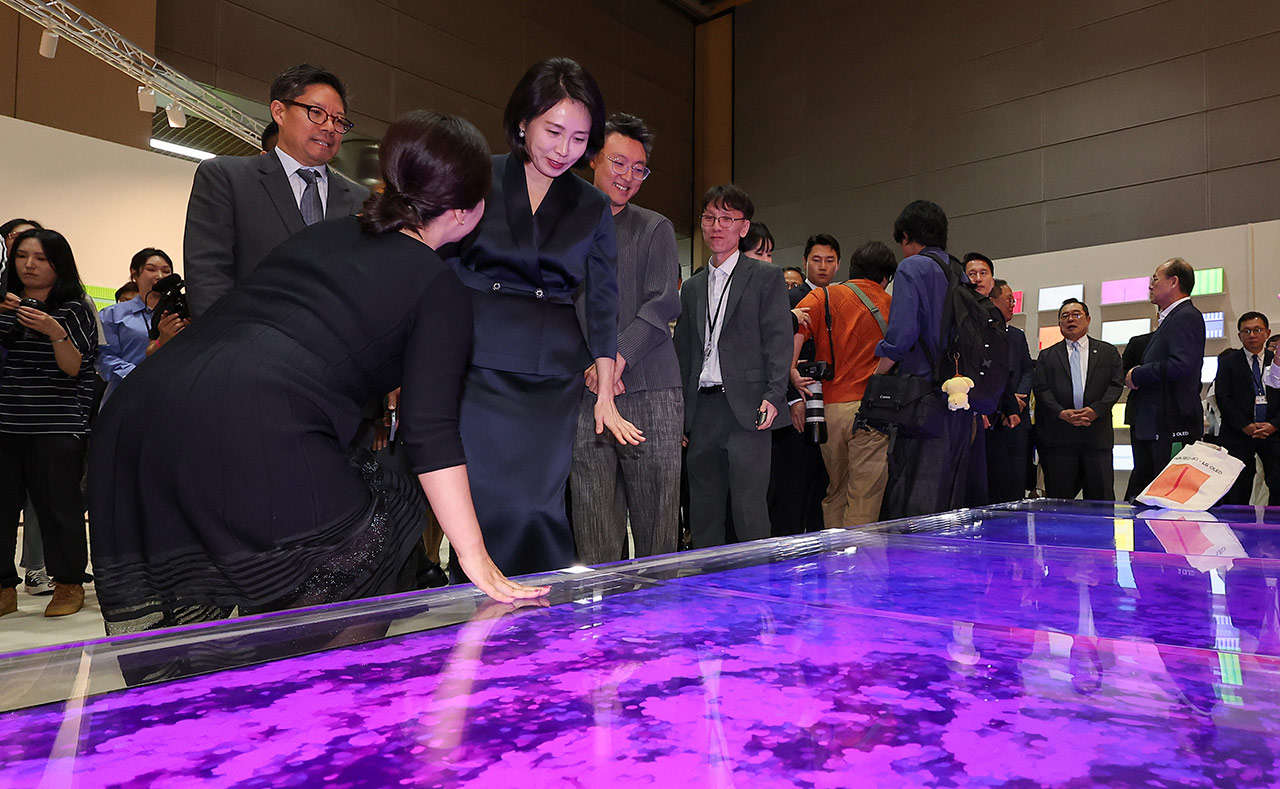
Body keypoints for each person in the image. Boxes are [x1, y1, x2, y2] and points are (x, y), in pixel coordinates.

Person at [88, 111, 548, 634]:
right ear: (468, 210)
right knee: (378, 540)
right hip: (255, 417)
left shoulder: (324, 235)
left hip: (141, 414)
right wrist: (474, 556)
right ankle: (318, 704)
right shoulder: (437, 287)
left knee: (197, 617)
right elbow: (431, 431)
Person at [444, 57, 641, 581]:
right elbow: (436, 262)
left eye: (579, 139)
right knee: (484, 508)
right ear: (524, 120)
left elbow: (603, 297)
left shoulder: (591, 204)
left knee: (537, 506)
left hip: (550, 375)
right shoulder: (476, 175)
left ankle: (535, 625)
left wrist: (603, 386)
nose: (564, 150)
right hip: (474, 361)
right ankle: (475, 613)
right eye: (554, 132)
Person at [569, 112, 682, 566]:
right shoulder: (565, 228)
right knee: (593, 523)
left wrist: (614, 360)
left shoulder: (655, 228)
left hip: (650, 389)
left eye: (639, 169)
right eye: (619, 163)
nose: (628, 177)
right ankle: (601, 629)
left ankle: (659, 624)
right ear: (594, 157)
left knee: (657, 525)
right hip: (584, 392)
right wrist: (594, 366)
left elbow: (661, 305)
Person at [184, 63, 371, 318]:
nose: (329, 127)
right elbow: (208, 276)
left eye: (338, 120)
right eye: (316, 112)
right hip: (246, 344)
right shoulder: (226, 177)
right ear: (279, 112)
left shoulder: (363, 201)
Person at [673, 184, 792, 548]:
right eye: (709, 218)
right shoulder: (692, 287)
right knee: (704, 510)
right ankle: (706, 592)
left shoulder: (765, 278)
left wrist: (775, 393)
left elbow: (778, 339)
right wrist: (679, 414)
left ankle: (758, 593)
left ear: (744, 228)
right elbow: (684, 352)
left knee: (749, 509)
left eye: (727, 218)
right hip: (703, 409)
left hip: (750, 406)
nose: (716, 226)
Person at [0, 229, 98, 618]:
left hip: (54, 425)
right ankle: (4, 588)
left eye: (40, 258)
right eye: (22, 256)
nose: (29, 265)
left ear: (58, 264)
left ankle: (69, 583)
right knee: (1, 509)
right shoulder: (4, 305)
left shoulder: (73, 308)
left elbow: (74, 368)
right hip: (4, 422)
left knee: (59, 508)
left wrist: (54, 331)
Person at [876, 200, 972, 519]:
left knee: (915, 494)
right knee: (951, 494)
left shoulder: (912, 267)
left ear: (906, 236)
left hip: (920, 397)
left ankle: (915, 568)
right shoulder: (959, 270)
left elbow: (901, 335)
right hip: (960, 396)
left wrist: (877, 375)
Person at [792, 240, 896, 527]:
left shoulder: (824, 296)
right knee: (864, 495)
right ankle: (859, 569)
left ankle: (834, 562)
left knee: (836, 489)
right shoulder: (891, 304)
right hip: (870, 412)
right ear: (885, 277)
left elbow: (796, 326)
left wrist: (791, 370)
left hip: (829, 410)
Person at [771, 234, 841, 535]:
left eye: (829, 260)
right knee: (793, 484)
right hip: (796, 401)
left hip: (832, 401)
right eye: (816, 260)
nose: (822, 267)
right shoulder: (788, 300)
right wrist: (792, 400)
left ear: (838, 265)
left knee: (823, 482)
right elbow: (775, 355)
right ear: (805, 262)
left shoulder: (840, 298)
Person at [1125, 257, 1206, 488]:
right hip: (1158, 421)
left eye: (1155, 279)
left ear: (1174, 282)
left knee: (1168, 492)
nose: (1150, 285)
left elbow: (1182, 365)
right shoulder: (1173, 318)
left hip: (1172, 422)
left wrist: (1138, 374)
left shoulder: (1186, 316)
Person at [1033, 299, 1124, 500]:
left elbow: (1115, 385)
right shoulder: (1047, 356)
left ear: (1088, 319)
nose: (1070, 319)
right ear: (1059, 323)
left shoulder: (1107, 352)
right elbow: (1041, 389)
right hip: (1060, 439)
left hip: (1097, 437)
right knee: (1060, 503)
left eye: (1076, 314)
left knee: (1101, 501)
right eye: (1065, 316)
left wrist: (1096, 410)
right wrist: (1060, 412)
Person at [1212, 312, 1280, 505]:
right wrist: (1246, 426)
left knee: (1277, 485)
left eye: (1257, 330)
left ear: (1267, 333)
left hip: (1273, 433)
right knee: (1237, 489)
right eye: (1246, 331)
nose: (1252, 335)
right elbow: (1224, 398)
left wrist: (1273, 425)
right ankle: (1236, 531)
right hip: (1238, 435)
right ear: (1240, 334)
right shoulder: (1228, 362)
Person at [96, 248, 176, 403]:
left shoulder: (177, 315)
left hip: (169, 395)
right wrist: (136, 375)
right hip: (124, 395)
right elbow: (102, 357)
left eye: (166, 272)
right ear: (134, 274)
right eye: (151, 269)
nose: (159, 276)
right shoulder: (112, 314)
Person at [985, 278, 1033, 503]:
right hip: (991, 415)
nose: (1013, 304)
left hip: (1017, 416)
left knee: (1016, 477)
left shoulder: (1017, 335)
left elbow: (1027, 370)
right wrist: (1005, 402)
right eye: (1008, 300)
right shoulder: (980, 333)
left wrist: (1018, 399)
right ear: (992, 301)